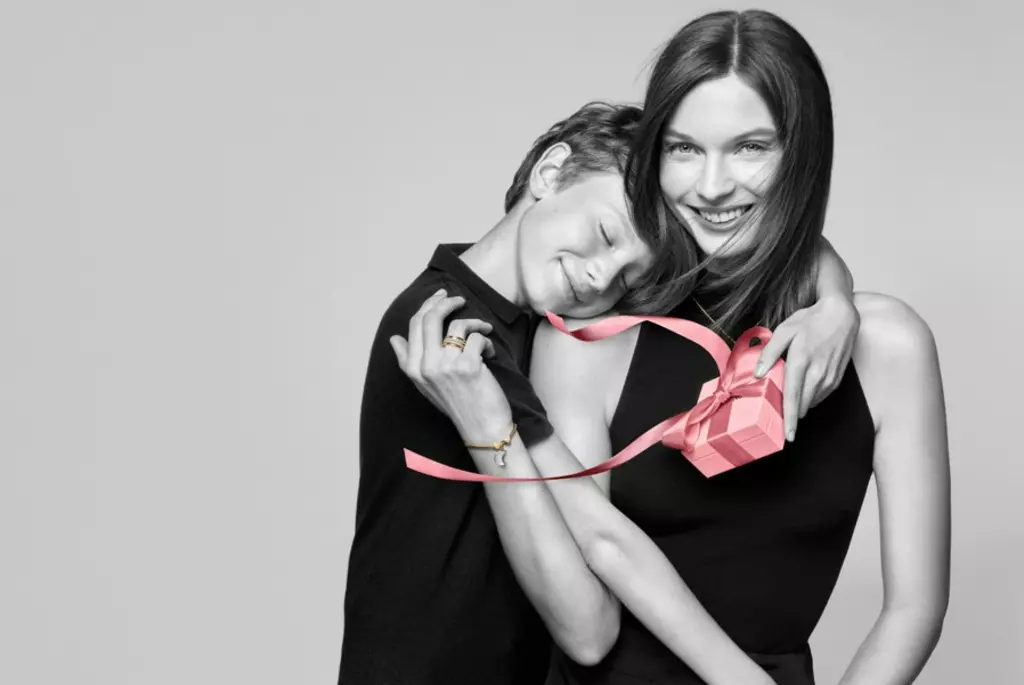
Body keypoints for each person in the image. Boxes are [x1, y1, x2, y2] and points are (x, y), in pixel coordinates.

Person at [394, 9, 949, 685]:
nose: (711, 187)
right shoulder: (588, 334)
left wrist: (835, 302)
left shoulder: (887, 346)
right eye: (684, 149)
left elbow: (914, 608)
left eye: (750, 147)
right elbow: (593, 581)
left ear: (802, 154)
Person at [340, 103, 858, 684]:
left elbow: (775, 242)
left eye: (630, 277)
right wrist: (489, 427)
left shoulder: (535, 323)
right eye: (606, 234)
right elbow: (590, 631)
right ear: (550, 172)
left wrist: (837, 302)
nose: (601, 277)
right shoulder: (454, 334)